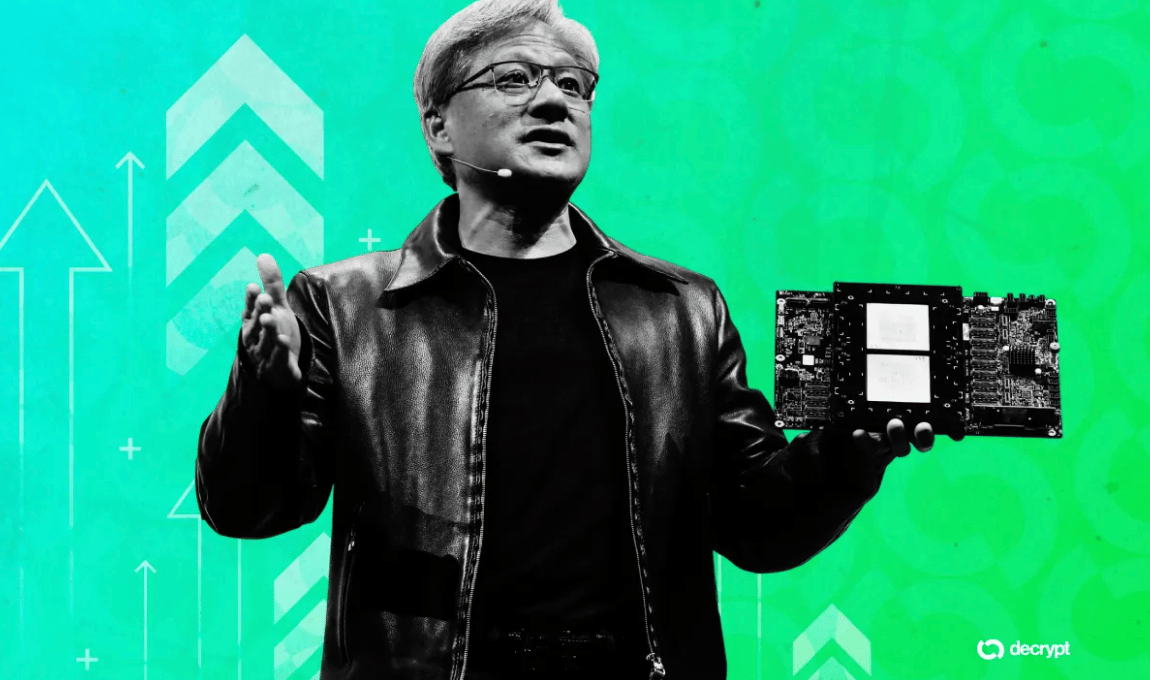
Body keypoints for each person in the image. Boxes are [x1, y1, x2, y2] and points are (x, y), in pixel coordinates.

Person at [195, 0, 961, 678]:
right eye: (513, 79)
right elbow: (247, 510)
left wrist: (849, 455)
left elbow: (758, 527)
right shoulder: (342, 306)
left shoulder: (683, 311)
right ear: (438, 125)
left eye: (573, 84)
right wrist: (265, 388)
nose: (553, 101)